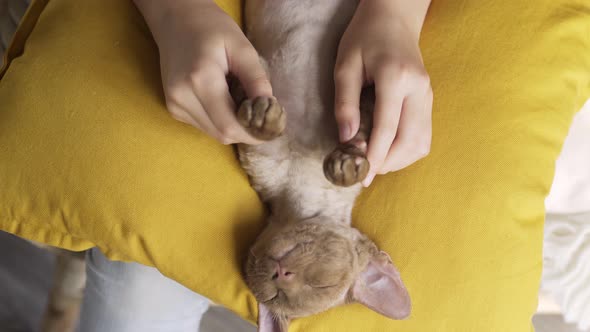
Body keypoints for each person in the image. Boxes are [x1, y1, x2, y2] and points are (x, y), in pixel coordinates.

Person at [77, 0, 433, 331]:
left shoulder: (267, 174)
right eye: (319, 281)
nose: (284, 278)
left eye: (273, 291)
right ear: (373, 269)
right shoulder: (355, 180)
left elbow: (253, 129)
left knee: (135, 288)